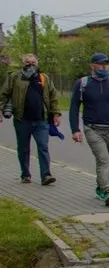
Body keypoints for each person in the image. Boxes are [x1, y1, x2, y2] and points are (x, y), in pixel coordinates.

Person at [68, 52, 109, 206]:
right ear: (92, 66)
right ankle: (107, 190)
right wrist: (75, 130)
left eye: (106, 64)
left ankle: (99, 187)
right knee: (103, 159)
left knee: (108, 161)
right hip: (92, 128)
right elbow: (73, 108)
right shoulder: (83, 84)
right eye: (101, 64)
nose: (104, 67)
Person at [0, 54, 60, 185]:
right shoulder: (15, 77)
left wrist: (56, 113)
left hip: (41, 120)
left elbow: (53, 96)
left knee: (43, 147)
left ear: (37, 63)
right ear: (23, 63)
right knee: (23, 148)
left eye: (33, 62)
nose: (30, 64)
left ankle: (46, 175)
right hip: (22, 120)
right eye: (27, 62)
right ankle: (25, 174)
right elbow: (4, 94)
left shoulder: (44, 78)